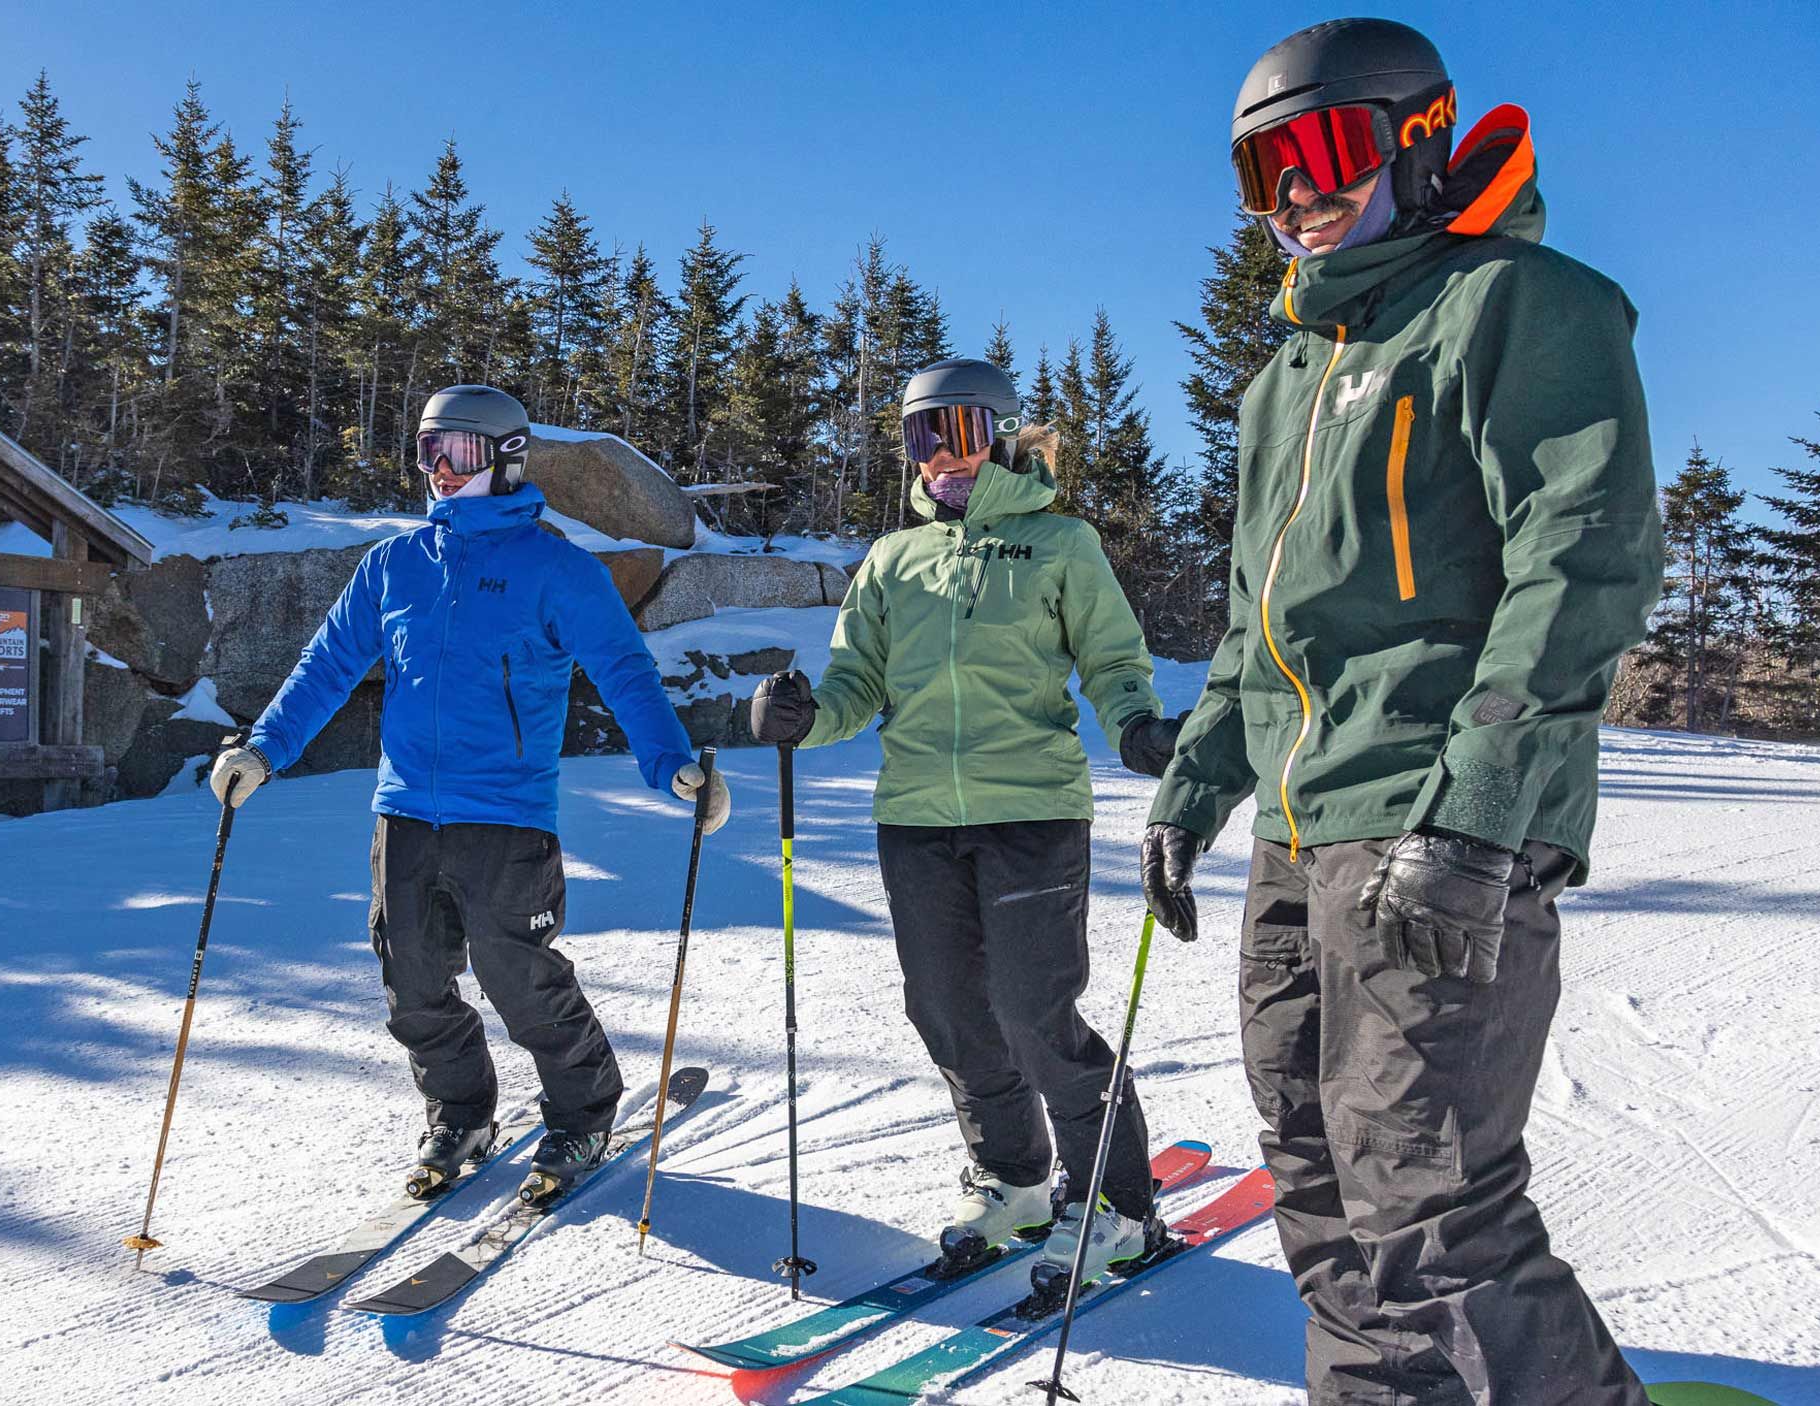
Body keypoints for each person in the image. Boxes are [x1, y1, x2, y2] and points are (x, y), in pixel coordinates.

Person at [1141, 18, 1661, 1403]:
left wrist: (1480, 805)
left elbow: (1585, 549)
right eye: (1265, 174)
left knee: (1431, 1204)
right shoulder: (1283, 383)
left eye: (1324, 152)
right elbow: (1263, 623)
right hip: (1303, 836)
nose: (1297, 195)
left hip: (1432, 812)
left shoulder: (1514, 302)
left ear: (1421, 142)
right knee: (1315, 1181)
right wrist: (1194, 791)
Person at [211, 384, 730, 1203]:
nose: (439, 471)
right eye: (427, 452)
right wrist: (264, 749)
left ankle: (585, 1109)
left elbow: (625, 671)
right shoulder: (395, 564)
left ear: (506, 458)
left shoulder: (559, 569)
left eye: (457, 452)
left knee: (520, 979)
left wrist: (671, 765)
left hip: (508, 815)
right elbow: (328, 664)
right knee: (411, 979)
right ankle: (461, 1112)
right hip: (406, 810)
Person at [749, 356, 1184, 1280]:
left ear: (1002, 435)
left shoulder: (1062, 544)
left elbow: (1111, 659)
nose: (941, 456)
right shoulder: (893, 560)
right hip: (915, 817)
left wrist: (1137, 725)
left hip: (1030, 809)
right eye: (920, 435)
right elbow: (854, 686)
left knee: (1036, 1012)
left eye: (962, 432)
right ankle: (1012, 1176)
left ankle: (1118, 1202)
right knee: (947, 1009)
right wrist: (804, 717)